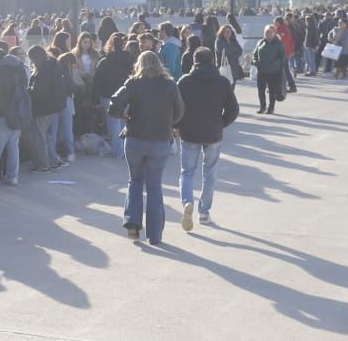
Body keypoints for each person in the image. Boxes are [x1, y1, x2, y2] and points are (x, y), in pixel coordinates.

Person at [109, 51, 185, 246]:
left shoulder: (133, 83)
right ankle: (155, 235)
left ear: (139, 64)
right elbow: (180, 111)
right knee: (154, 186)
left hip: (135, 138)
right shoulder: (170, 85)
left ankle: (133, 224)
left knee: (134, 181)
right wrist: (169, 122)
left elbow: (114, 102)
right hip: (160, 140)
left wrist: (122, 116)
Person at [174, 48, 240, 229]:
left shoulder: (184, 82)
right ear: (212, 61)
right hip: (213, 133)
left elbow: (176, 107)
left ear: (194, 62)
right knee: (209, 173)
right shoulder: (222, 82)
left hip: (189, 132)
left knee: (187, 172)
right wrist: (221, 123)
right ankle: (204, 212)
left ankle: (187, 201)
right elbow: (233, 110)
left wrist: (177, 125)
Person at [0, 44, 30, 186]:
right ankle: (12, 176)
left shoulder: (1, 72)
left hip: (2, 114)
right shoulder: (21, 69)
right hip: (18, 113)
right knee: (13, 146)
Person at [92, 33, 133, 160]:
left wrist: (95, 99)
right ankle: (127, 151)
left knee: (113, 123)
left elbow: (97, 81)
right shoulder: (130, 59)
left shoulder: (104, 62)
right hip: (127, 96)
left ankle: (117, 151)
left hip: (108, 95)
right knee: (125, 123)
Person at [252, 26, 288, 115]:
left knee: (272, 91)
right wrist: (255, 62)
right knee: (261, 90)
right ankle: (262, 106)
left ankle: (271, 108)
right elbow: (255, 54)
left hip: (273, 72)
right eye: (267, 32)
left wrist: (275, 63)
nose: (268, 34)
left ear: (275, 33)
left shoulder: (279, 44)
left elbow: (283, 58)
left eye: (270, 32)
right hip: (261, 71)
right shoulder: (260, 42)